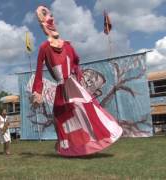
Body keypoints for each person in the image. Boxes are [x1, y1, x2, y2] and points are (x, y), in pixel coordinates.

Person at [32, 5, 123, 157]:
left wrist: (79, 78)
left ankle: (97, 139)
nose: (51, 20)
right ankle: (70, 146)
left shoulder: (68, 46)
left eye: (51, 17)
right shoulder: (44, 47)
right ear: (42, 25)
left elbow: (75, 63)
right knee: (61, 117)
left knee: (87, 110)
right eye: (46, 18)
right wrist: (37, 91)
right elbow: (39, 71)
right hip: (62, 88)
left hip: (72, 86)